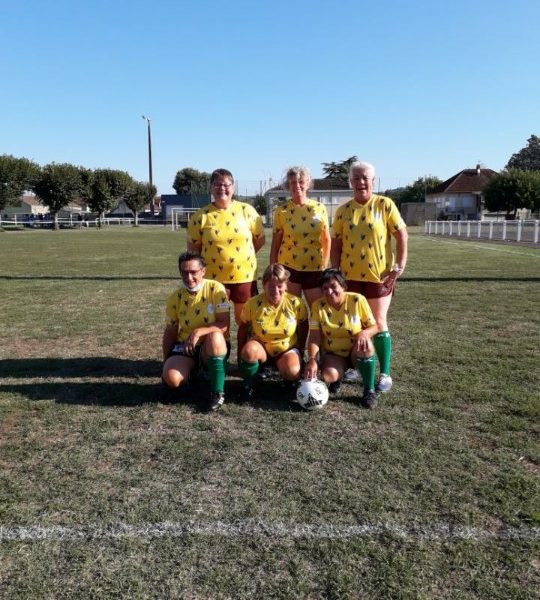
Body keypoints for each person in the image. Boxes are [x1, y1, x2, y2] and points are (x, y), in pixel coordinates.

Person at [330, 161, 408, 392]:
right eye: (356, 178)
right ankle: (357, 365)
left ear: (373, 181)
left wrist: (399, 266)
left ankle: (385, 373)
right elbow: (336, 243)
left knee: (379, 322)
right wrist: (336, 271)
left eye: (365, 178)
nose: (361, 182)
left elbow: (402, 236)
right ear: (350, 182)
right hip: (350, 278)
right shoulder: (343, 210)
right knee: (355, 324)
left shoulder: (384, 204)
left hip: (379, 277)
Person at [187, 168, 265, 361]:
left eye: (226, 184)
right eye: (217, 184)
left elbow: (259, 240)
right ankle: (217, 358)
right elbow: (194, 250)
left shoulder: (247, 211)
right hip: (214, 281)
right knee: (217, 322)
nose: (222, 188)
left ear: (233, 187)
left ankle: (246, 359)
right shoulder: (201, 216)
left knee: (245, 321)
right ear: (211, 188)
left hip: (244, 277)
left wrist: (241, 258)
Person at [162, 251, 230, 411]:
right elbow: (170, 331)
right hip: (187, 346)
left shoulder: (216, 289)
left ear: (203, 271)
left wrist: (198, 332)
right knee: (172, 379)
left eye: (193, 272)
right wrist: (166, 361)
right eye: (184, 272)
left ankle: (217, 392)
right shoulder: (175, 297)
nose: (189, 277)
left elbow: (224, 324)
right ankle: (193, 373)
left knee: (215, 336)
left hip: (212, 347)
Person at [303, 268, 379, 408]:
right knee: (328, 375)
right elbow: (314, 337)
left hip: (356, 351)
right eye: (325, 288)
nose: (329, 291)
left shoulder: (357, 300)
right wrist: (312, 359)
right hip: (334, 354)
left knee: (366, 345)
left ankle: (369, 390)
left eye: (333, 286)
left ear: (343, 286)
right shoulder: (317, 306)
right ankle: (338, 377)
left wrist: (365, 333)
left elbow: (374, 327)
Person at [237, 263, 309, 402]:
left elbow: (304, 324)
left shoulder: (296, 303)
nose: (275, 290)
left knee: (293, 371)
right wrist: (241, 352)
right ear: (263, 285)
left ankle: (289, 382)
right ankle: (249, 385)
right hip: (261, 348)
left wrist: (300, 349)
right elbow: (243, 327)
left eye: (279, 286)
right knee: (250, 351)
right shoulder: (253, 303)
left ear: (286, 285)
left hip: (286, 348)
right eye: (270, 286)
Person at [269, 166, 330, 307]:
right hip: (289, 268)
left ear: (308, 184)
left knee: (318, 309)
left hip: (315, 268)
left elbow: (327, 240)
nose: (297, 185)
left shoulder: (320, 208)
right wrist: (273, 269)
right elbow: (275, 244)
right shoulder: (281, 211)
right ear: (288, 185)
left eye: (301, 181)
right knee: (291, 309)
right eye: (293, 182)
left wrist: (324, 266)